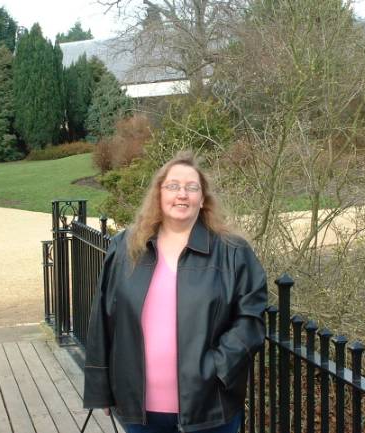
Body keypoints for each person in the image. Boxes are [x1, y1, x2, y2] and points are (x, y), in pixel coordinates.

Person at [83, 151, 268, 433]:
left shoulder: (233, 251)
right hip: (139, 410)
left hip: (210, 406)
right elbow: (104, 317)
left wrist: (217, 369)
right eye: (173, 186)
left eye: (192, 187)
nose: (182, 194)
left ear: (202, 199)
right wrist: (101, 388)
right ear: (159, 194)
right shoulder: (125, 247)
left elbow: (250, 319)